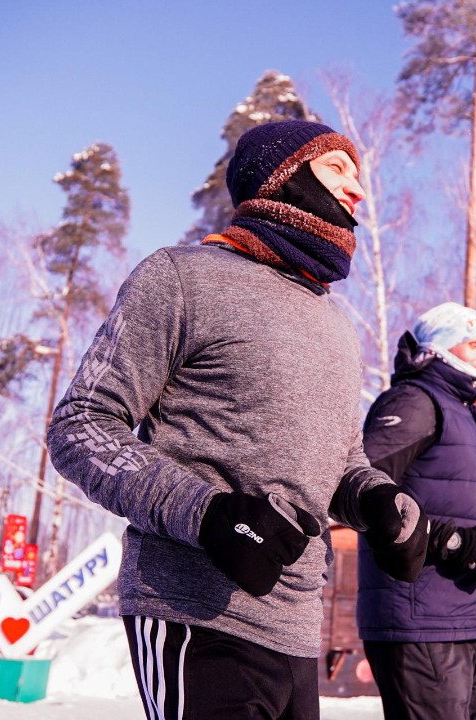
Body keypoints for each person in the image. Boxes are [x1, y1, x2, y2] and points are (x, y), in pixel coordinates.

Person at [46, 120, 429, 720]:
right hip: (194, 612)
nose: (359, 191)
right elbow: (82, 424)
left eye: (359, 176)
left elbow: (339, 459)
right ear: (284, 177)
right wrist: (207, 515)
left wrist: (377, 500)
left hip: (297, 627)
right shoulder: (182, 277)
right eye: (338, 170)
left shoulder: (336, 323)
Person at [356, 302, 476, 720]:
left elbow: (442, 501)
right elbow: (356, 492)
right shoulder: (414, 402)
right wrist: (456, 544)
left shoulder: (465, 413)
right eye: (475, 345)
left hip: (465, 623)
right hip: (418, 622)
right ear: (441, 349)